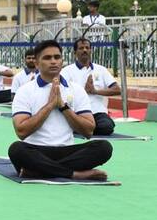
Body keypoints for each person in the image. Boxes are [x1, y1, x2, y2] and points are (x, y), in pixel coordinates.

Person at [8, 40, 113, 180]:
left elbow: (88, 131)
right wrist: (50, 105)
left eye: (57, 57)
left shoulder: (76, 89)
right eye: (47, 58)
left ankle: (41, 171)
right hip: (36, 149)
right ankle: (75, 174)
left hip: (67, 151)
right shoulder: (25, 91)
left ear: (62, 61)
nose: (53, 61)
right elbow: (21, 132)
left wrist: (63, 107)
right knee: (16, 150)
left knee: (104, 147)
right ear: (37, 64)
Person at [61, 38, 120, 136]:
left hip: (97, 112)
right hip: (76, 111)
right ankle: (83, 128)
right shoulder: (66, 71)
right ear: (75, 52)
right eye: (81, 48)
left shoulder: (101, 69)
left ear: (90, 50)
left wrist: (95, 91)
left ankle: (82, 129)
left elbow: (117, 90)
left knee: (107, 127)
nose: (84, 50)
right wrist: (82, 91)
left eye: (87, 48)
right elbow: (61, 91)